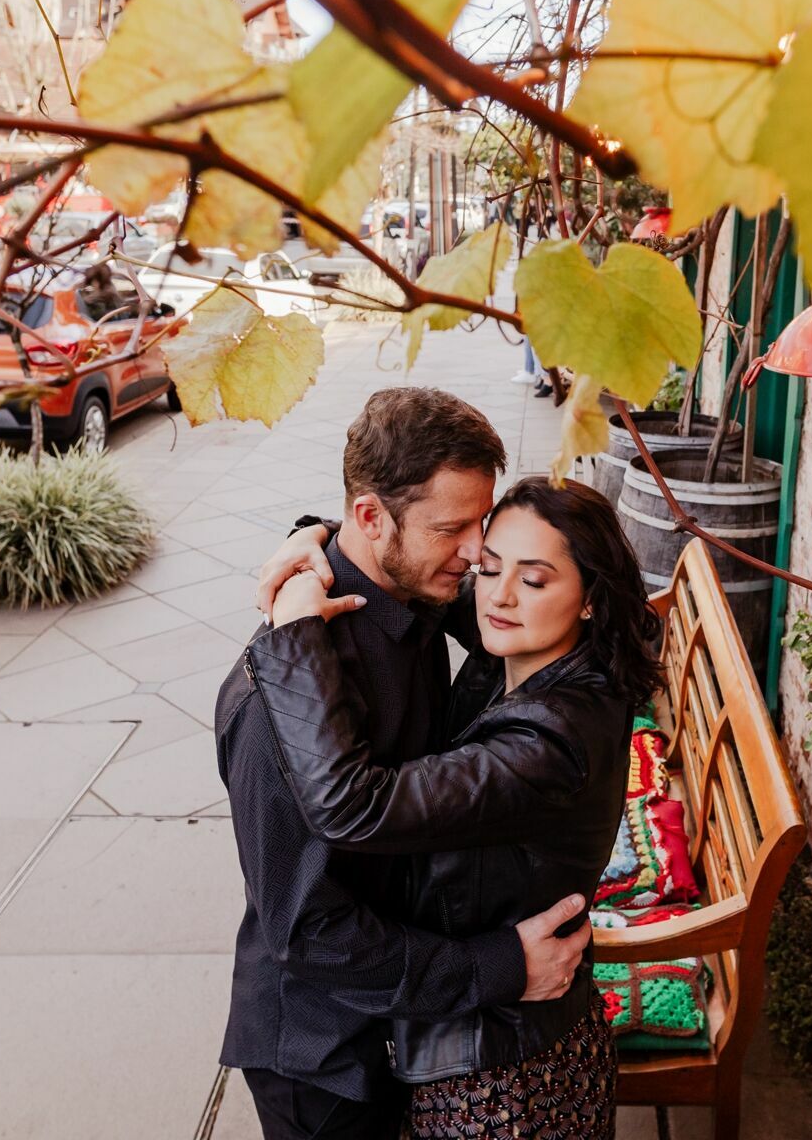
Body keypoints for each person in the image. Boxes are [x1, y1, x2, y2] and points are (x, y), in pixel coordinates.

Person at [214, 389, 591, 1140]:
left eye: (481, 523)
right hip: (323, 1062)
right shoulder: (279, 698)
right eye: (452, 529)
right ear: (370, 518)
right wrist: (499, 967)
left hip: (401, 1019)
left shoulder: (418, 585)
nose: (477, 552)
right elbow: (310, 932)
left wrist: (308, 533)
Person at [250, 477, 661, 1139]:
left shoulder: (546, 744)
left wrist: (295, 633)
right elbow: (421, 571)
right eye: (489, 565)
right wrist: (319, 534)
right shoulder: (540, 646)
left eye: (533, 579)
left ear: (589, 598)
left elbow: (352, 804)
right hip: (512, 1030)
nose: (496, 594)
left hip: (511, 1081)